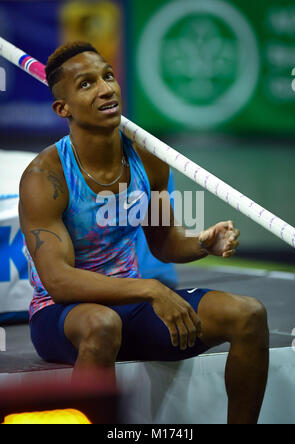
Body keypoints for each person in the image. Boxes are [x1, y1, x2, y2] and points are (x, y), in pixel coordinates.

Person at [19, 42, 269, 424]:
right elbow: (59, 282)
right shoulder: (45, 176)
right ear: (62, 108)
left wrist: (204, 243)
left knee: (248, 314)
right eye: (86, 84)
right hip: (63, 317)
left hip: (130, 307)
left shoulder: (147, 159)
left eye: (108, 76)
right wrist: (151, 289)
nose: (106, 89)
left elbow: (163, 242)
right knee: (102, 325)